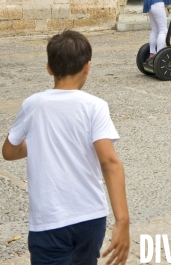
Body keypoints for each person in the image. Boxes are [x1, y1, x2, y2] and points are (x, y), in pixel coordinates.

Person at [2, 30, 130, 265]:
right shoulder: (96, 106)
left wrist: (40, 142)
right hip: (90, 217)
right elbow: (109, 162)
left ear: (49, 68)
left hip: (49, 219)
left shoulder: (33, 104)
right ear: (87, 67)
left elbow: (9, 152)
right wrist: (122, 221)